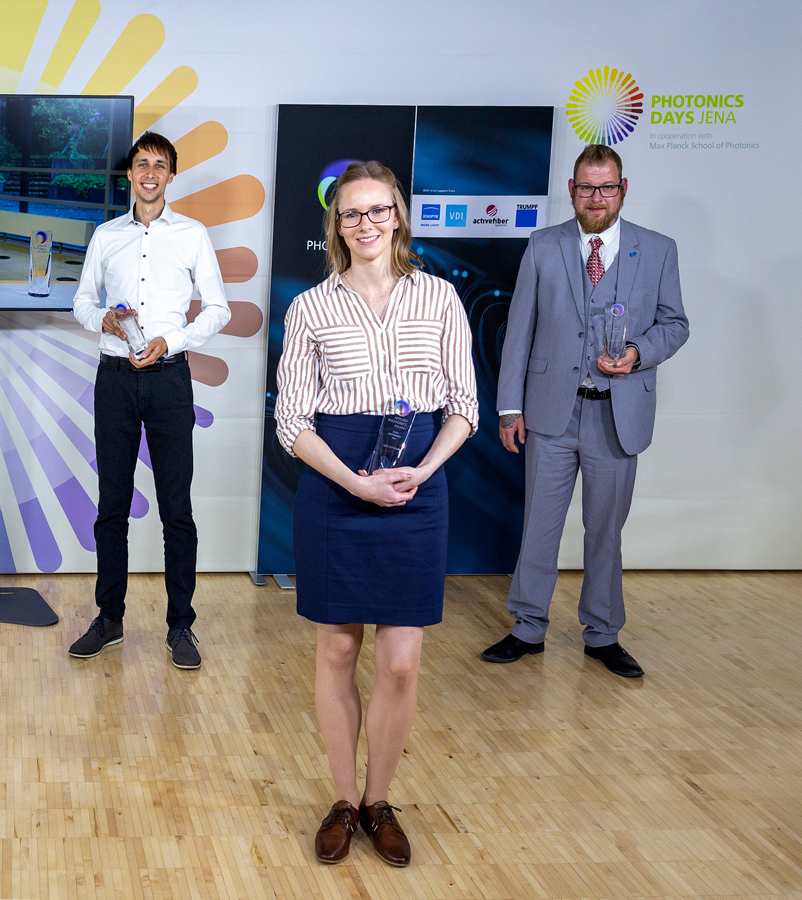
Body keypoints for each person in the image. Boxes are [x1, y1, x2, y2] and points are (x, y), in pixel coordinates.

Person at [273, 161, 477, 867]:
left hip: (417, 485)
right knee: (336, 648)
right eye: (352, 214)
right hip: (337, 485)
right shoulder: (310, 309)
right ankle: (339, 798)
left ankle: (378, 800)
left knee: (400, 661)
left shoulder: (442, 300)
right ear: (337, 225)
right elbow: (293, 422)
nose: (366, 225)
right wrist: (354, 485)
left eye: (378, 211)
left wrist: (422, 469)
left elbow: (463, 408)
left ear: (398, 216)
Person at [482, 144, 689, 679]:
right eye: (586, 187)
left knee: (605, 531)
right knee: (540, 527)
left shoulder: (658, 249)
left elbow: (675, 324)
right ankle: (528, 626)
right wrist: (510, 408)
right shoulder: (543, 245)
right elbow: (519, 332)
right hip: (551, 414)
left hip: (618, 418)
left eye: (606, 187)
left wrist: (639, 352)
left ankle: (602, 633)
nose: (596, 198)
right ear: (571, 190)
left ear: (623, 189)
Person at [67, 132, 230, 670]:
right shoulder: (106, 235)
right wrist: (103, 321)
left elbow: (218, 309)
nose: (151, 173)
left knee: (175, 508)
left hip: (168, 380)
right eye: (142, 164)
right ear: (130, 175)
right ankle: (109, 619)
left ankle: (181, 625)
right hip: (113, 378)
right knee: (111, 505)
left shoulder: (192, 235)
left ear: (171, 175)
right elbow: (82, 302)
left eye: (160, 165)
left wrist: (173, 339)